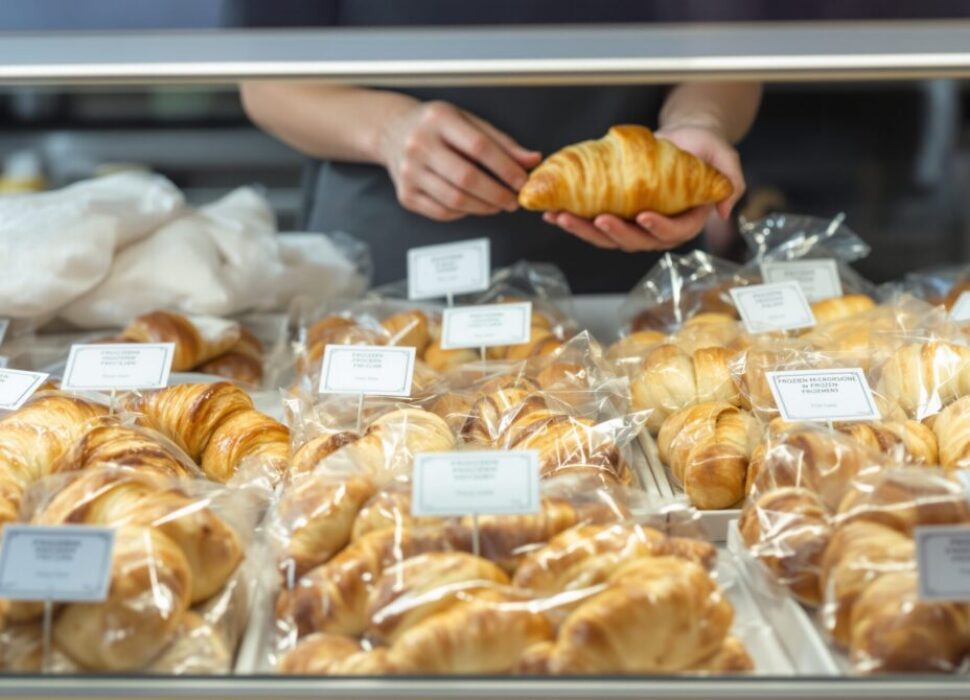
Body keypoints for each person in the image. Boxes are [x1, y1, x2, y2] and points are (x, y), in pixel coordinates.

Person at [236, 3, 761, 291]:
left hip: (629, 283)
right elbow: (264, 83)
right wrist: (387, 131)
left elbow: (729, 51)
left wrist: (696, 126)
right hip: (386, 278)